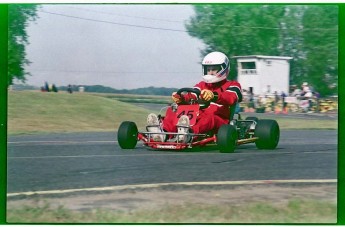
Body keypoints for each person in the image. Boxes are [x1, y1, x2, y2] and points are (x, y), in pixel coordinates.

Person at [147, 51, 242, 142]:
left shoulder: (233, 85)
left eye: (214, 69)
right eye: (208, 69)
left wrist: (214, 96)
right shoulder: (202, 85)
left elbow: (230, 98)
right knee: (173, 110)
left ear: (223, 69)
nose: (210, 72)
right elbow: (191, 95)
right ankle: (163, 133)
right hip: (198, 115)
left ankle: (189, 134)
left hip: (220, 121)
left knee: (210, 118)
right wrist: (181, 98)